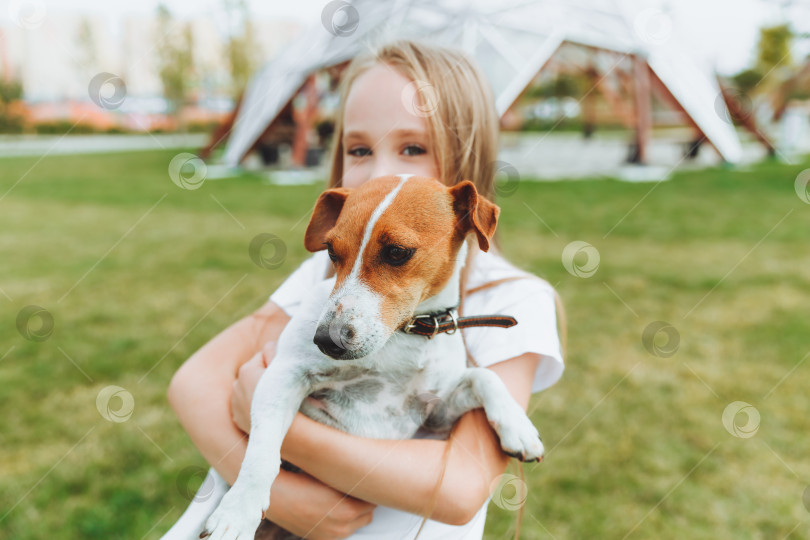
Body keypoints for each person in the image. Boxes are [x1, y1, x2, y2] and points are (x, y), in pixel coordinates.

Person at [166, 39, 565, 540]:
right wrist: (265, 491)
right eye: (358, 149)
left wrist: (291, 445)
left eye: (413, 148)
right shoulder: (324, 276)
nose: (380, 173)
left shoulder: (513, 300)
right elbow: (191, 383)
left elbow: (461, 489)